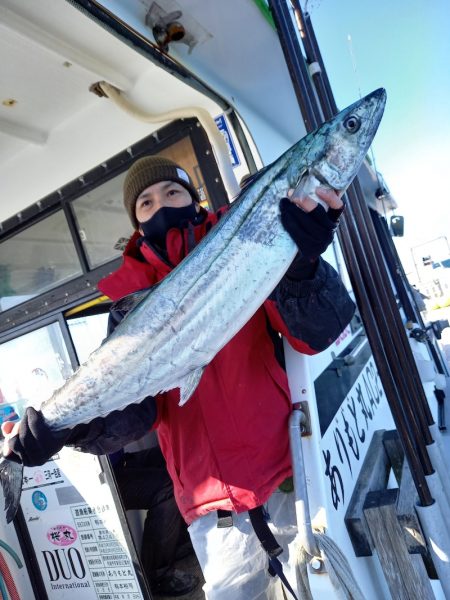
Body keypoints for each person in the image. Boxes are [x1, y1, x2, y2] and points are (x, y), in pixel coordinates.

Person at [2, 156, 355, 599]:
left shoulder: (245, 250)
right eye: (145, 202)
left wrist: (303, 264)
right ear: (136, 221)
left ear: (193, 199)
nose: (161, 204)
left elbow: (318, 333)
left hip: (290, 480)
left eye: (173, 192)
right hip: (213, 515)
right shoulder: (128, 306)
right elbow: (135, 414)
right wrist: (67, 427)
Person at [111, 445, 198, 596]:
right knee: (166, 489)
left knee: (174, 454)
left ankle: (177, 542)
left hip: (119, 462)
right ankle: (157, 577)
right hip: (101, 477)